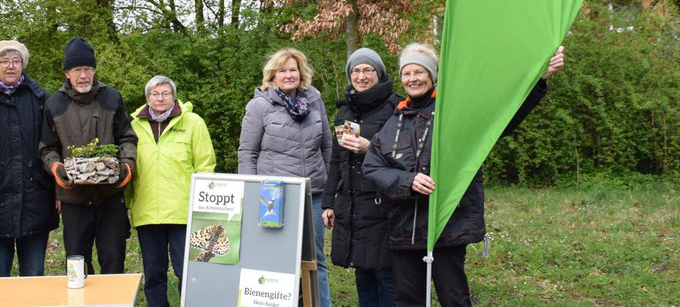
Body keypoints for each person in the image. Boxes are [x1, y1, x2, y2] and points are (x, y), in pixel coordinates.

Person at [362, 43, 565, 307]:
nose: (412, 79)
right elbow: (373, 167)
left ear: (432, 75)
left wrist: (540, 78)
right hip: (405, 229)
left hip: (447, 226)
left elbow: (503, 118)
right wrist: (407, 181)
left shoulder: (454, 112)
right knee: (408, 300)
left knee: (454, 298)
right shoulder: (395, 121)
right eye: (406, 73)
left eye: (419, 72)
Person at [238, 47, 333, 307]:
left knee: (316, 260)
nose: (288, 75)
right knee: (276, 257)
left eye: (293, 69)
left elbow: (327, 145)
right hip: (274, 195)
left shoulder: (315, 101)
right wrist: (251, 193)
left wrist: (330, 188)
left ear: (301, 74)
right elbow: (247, 151)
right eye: (282, 70)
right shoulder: (259, 105)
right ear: (272, 76)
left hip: (313, 193)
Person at [38, 37, 137, 274]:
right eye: (78, 70)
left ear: (94, 70)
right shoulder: (54, 104)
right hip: (74, 198)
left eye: (88, 69)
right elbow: (46, 148)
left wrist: (126, 167)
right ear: (67, 73)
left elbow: (127, 138)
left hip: (109, 195)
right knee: (77, 262)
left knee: (113, 259)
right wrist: (56, 169)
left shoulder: (112, 97)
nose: (84, 75)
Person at [129, 75, 217, 307]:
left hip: (184, 211)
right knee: (154, 273)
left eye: (165, 93)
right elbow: (129, 168)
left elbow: (206, 165)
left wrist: (203, 204)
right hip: (147, 211)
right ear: (147, 98)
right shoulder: (134, 126)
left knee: (186, 271)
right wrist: (127, 203)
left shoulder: (193, 122)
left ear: (174, 96)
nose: (160, 98)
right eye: (155, 94)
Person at [322, 48, 400, 306]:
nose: (361, 76)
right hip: (352, 202)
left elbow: (407, 155)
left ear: (379, 74)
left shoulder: (395, 106)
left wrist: (372, 149)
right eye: (356, 70)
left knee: (385, 274)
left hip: (383, 202)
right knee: (362, 272)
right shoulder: (346, 111)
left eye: (368, 70)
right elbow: (337, 158)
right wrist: (329, 202)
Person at [0, 40, 58, 277]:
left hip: (36, 198)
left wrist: (58, 191)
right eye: (4, 61)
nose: (10, 66)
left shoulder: (42, 99)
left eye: (15, 61)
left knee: (33, 277)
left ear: (23, 64)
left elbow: (53, 147)